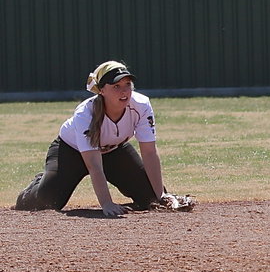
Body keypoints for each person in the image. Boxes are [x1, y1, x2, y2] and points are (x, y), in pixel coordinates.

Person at [13, 61, 172, 217]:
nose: (124, 91)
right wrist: (106, 203)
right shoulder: (85, 113)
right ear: (101, 90)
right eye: (116, 86)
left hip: (113, 150)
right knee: (47, 200)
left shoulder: (141, 105)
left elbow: (149, 152)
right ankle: (38, 184)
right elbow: (94, 165)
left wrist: (161, 195)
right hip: (70, 152)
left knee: (152, 199)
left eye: (127, 85)